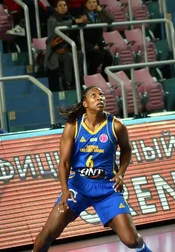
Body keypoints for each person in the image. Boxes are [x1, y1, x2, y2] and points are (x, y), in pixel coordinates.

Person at [33, 86, 152, 252]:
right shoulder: (73, 126)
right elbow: (64, 163)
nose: (99, 98)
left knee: (131, 240)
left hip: (107, 188)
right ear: (85, 103)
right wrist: (65, 189)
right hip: (78, 186)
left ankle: (145, 249)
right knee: (48, 233)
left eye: (101, 95)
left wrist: (121, 174)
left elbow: (127, 149)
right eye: (94, 95)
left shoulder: (116, 125)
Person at [46, 0, 87, 91]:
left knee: (80, 54)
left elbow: (78, 22)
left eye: (64, 5)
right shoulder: (52, 19)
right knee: (68, 56)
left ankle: (79, 80)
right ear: (56, 9)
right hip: (55, 49)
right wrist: (75, 21)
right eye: (60, 5)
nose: (63, 7)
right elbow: (58, 25)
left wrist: (83, 20)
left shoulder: (70, 17)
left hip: (69, 48)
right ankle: (68, 82)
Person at [82, 0, 114, 77]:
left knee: (109, 56)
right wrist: (92, 46)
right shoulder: (82, 16)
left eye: (94, 2)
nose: (92, 4)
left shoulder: (99, 15)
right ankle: (90, 75)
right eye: (89, 2)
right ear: (86, 5)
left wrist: (102, 11)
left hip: (99, 44)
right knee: (98, 55)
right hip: (87, 44)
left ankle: (104, 77)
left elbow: (111, 20)